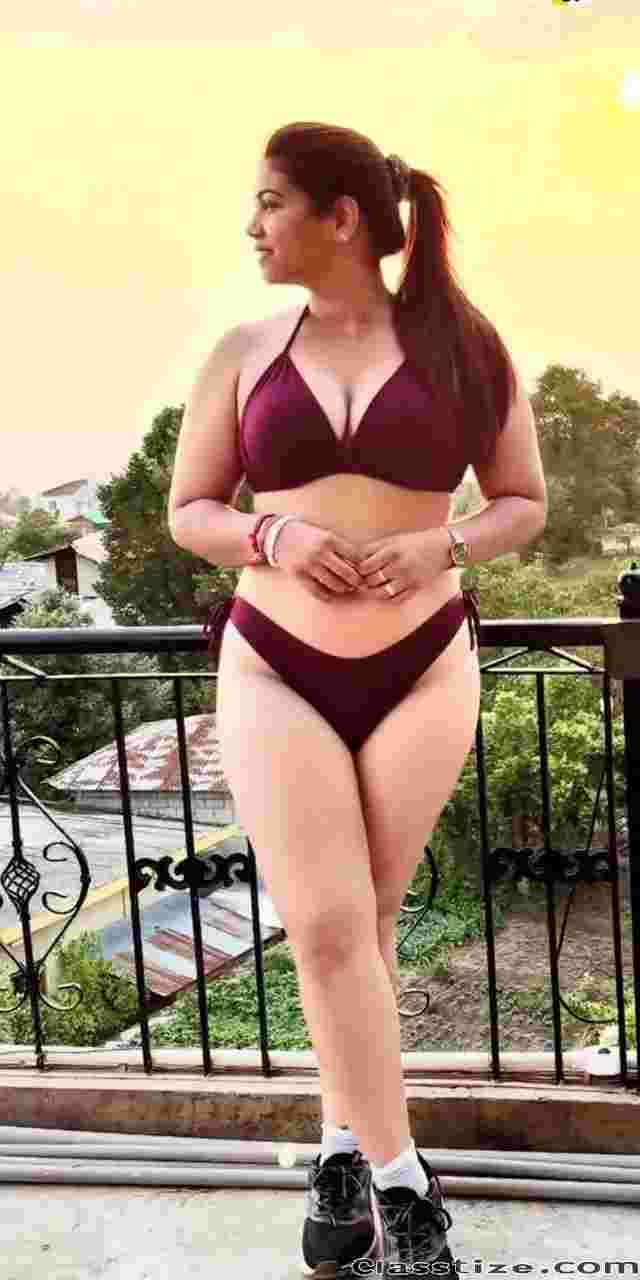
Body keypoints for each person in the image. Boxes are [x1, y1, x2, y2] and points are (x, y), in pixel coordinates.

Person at [168, 121, 547, 1278]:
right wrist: (271, 533)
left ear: (339, 218)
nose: (252, 224)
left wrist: (443, 544)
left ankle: (339, 1150)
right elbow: (191, 509)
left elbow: (522, 501)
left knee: (365, 924)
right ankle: (402, 1184)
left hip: (422, 662)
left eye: (270, 201)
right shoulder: (243, 350)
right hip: (274, 662)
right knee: (330, 926)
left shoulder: (464, 346)